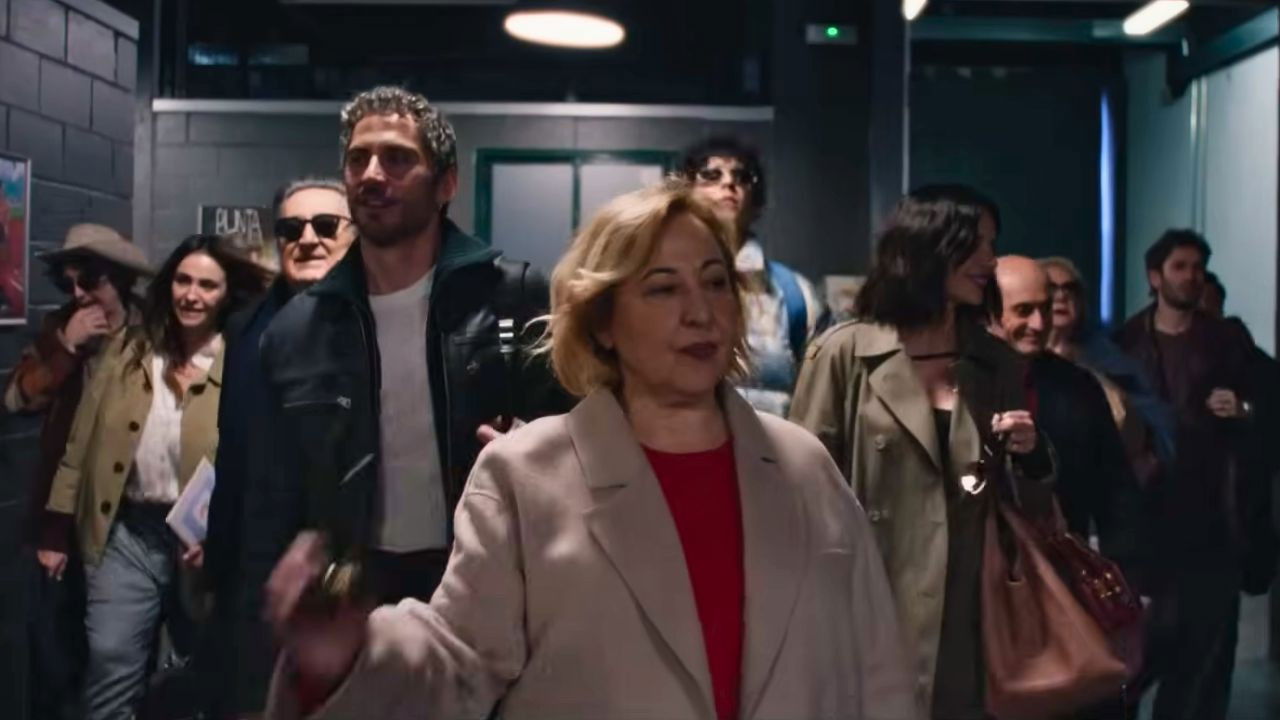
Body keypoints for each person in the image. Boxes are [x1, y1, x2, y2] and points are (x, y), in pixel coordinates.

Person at [261, 180, 916, 720]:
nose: (702, 312)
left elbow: (876, 670)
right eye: (663, 288)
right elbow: (460, 662)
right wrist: (349, 656)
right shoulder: (527, 476)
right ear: (602, 321)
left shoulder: (805, 467)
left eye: (716, 282)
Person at [256, 86, 568, 610]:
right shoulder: (300, 329)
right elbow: (269, 490)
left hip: (486, 575)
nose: (372, 174)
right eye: (358, 159)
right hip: (353, 589)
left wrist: (532, 450)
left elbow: (578, 443)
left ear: (446, 184)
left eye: (397, 159)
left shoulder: (513, 296)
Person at [789, 185, 1054, 719]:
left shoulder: (994, 363)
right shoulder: (846, 354)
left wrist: (1029, 454)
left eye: (992, 243)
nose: (990, 260)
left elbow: (1017, 504)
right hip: (867, 602)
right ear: (929, 247)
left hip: (968, 614)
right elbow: (800, 492)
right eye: (975, 244)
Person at [36, 234, 270, 720]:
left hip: (203, 543)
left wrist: (229, 533)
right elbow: (80, 443)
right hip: (127, 534)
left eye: (207, 285)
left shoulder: (245, 359)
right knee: (111, 660)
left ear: (226, 293)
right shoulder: (130, 350)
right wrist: (56, 527)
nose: (192, 294)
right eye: (183, 280)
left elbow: (262, 462)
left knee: (206, 670)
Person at [202, 177, 357, 718]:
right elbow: (233, 459)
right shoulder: (245, 329)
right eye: (292, 228)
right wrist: (216, 568)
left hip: (346, 572)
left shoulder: (383, 326)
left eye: (326, 225)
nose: (308, 238)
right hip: (254, 571)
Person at [1115, 229, 1275, 720]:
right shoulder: (1126, 343)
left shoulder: (1227, 340)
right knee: (1138, 654)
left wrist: (1243, 408)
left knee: (1205, 664)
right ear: (1155, 276)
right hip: (1149, 521)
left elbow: (1269, 400)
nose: (1191, 276)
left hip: (1214, 522)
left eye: (1198, 268)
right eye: (1180, 266)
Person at [4, 223, 152, 720]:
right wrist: (66, 347)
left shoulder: (153, 331)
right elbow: (17, 397)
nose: (79, 294)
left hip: (131, 516)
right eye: (68, 283)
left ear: (118, 280)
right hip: (64, 515)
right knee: (58, 649)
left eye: (89, 281)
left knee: (120, 651)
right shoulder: (60, 329)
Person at [988, 256, 1146, 583]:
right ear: (989, 311)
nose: (1038, 323)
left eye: (1045, 309)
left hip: (1062, 573)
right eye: (1023, 311)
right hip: (980, 575)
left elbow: (1114, 490)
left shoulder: (1077, 385)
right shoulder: (955, 382)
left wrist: (1126, 578)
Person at [680, 137, 825, 416]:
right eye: (711, 175)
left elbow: (822, 398)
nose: (729, 183)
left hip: (772, 439)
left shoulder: (796, 294)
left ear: (755, 200)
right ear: (683, 194)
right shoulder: (656, 287)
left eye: (742, 176)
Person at [1040, 256, 1175, 482]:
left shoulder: (1112, 360)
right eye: (1051, 288)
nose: (1062, 296)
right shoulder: (1013, 357)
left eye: (1070, 289)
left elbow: (1160, 428)